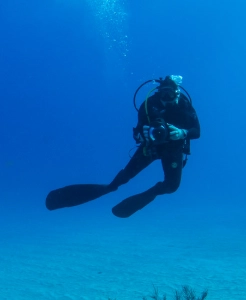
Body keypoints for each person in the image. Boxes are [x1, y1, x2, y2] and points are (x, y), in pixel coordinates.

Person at [45, 75, 200, 218]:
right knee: (122, 179)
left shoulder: (185, 106)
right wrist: (141, 134)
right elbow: (138, 131)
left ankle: (151, 193)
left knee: (171, 186)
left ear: (177, 93)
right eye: (163, 94)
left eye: (170, 94)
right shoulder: (149, 104)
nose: (166, 98)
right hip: (151, 147)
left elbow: (197, 131)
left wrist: (182, 133)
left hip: (173, 149)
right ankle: (106, 188)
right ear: (158, 93)